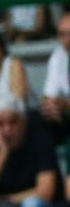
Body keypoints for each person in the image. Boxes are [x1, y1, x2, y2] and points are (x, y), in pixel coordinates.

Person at [41, 13, 70, 141]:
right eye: (63, 35)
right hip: (66, 116)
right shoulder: (58, 56)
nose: (68, 40)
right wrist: (49, 107)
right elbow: (49, 95)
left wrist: (64, 104)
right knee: (37, 122)